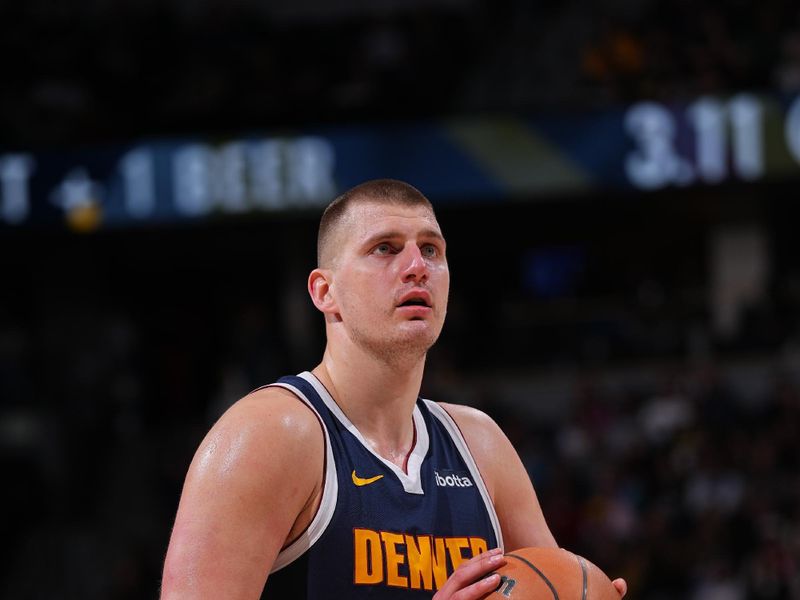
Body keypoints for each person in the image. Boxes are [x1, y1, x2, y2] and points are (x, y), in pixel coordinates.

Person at [161, 179, 627, 599]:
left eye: (432, 249)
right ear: (326, 292)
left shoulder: (480, 445)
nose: (416, 266)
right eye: (385, 248)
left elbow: (554, 587)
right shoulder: (269, 435)